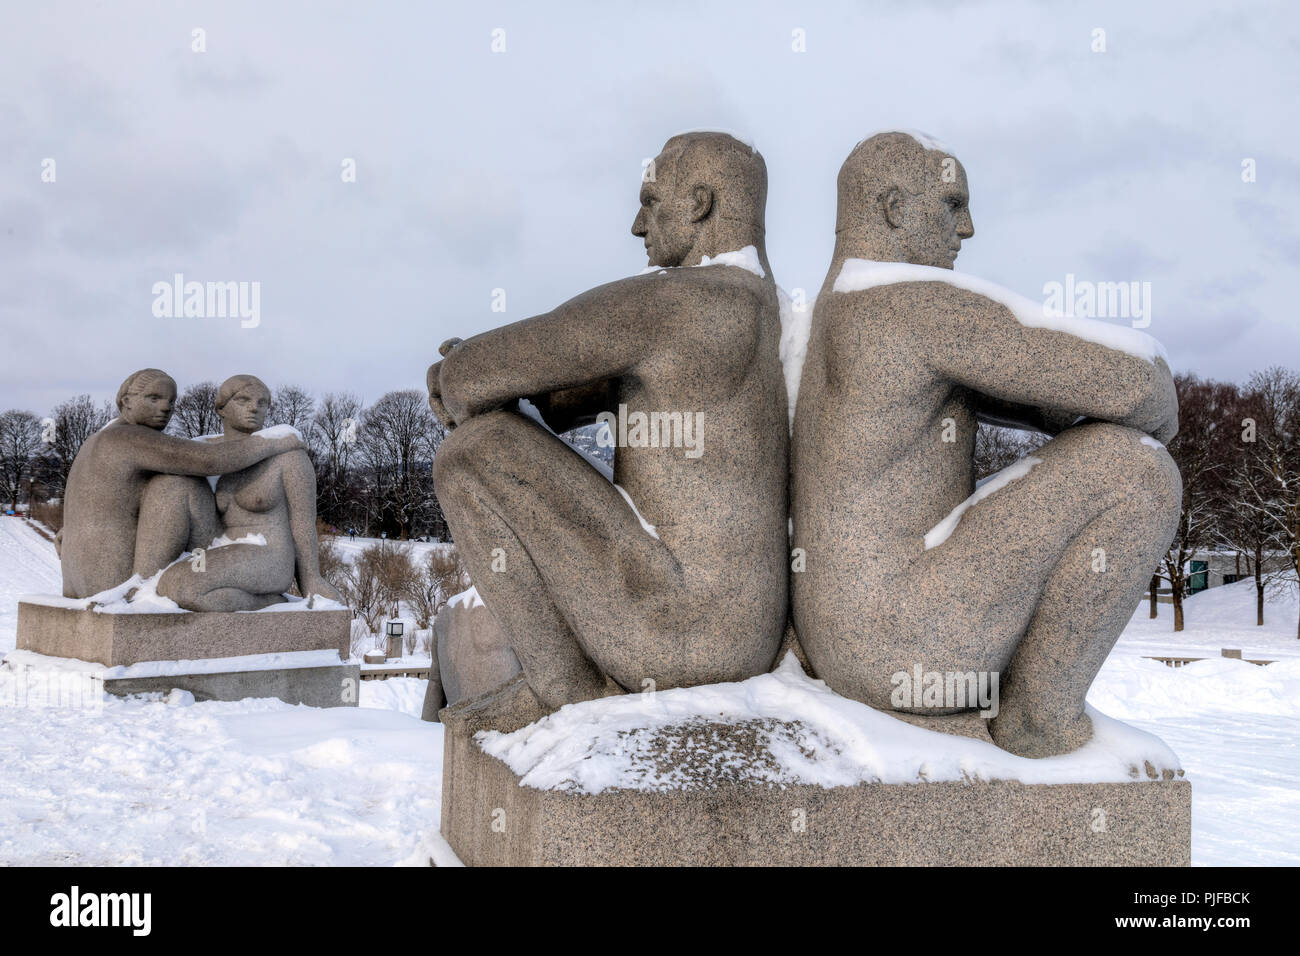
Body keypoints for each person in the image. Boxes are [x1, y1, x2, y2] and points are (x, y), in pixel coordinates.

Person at [790, 132, 1182, 757]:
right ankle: (1038, 718)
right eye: (951, 204)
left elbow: (1051, 397)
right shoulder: (909, 304)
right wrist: (1155, 403)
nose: (967, 228)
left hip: (848, 640)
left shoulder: (846, 313)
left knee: (1112, 450)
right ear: (894, 209)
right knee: (1136, 470)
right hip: (907, 636)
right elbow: (1136, 386)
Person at [59, 368, 303, 598]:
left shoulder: (95, 441)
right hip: (114, 583)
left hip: (76, 581)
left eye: (171, 401)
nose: (166, 407)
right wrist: (274, 441)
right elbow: (208, 461)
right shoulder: (129, 437)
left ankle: (202, 575)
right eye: (154, 398)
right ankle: (148, 588)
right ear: (126, 402)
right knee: (178, 484)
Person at [157, 375, 342, 611]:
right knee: (169, 585)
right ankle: (261, 602)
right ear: (221, 408)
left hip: (269, 556)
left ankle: (272, 602)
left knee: (188, 588)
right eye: (243, 400)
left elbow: (303, 524)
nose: (254, 407)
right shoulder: (207, 455)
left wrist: (311, 578)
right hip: (213, 553)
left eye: (262, 402)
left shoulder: (288, 456)